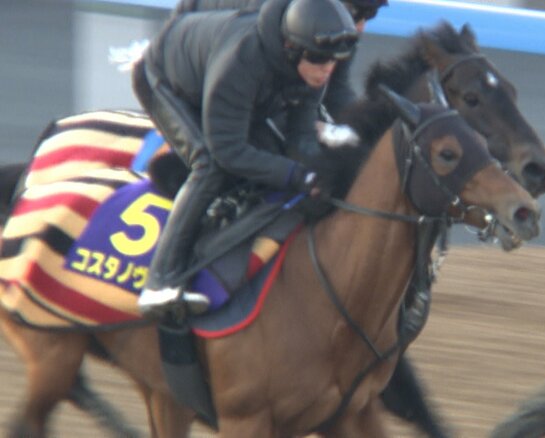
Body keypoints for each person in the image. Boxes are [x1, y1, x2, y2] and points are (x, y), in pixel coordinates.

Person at [132, 0, 359, 318]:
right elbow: (228, 151)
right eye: (319, 59)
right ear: (291, 47)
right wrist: (297, 175)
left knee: (275, 160)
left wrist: (320, 175)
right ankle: (159, 281)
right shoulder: (243, 60)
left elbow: (301, 140)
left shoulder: (311, 69)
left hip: (216, 79)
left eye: (334, 61)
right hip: (163, 79)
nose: (327, 69)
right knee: (209, 165)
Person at [173, 0, 388, 121]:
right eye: (357, 13)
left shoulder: (336, 26)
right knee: (214, 165)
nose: (361, 27)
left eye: (370, 15)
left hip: (233, 66)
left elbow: (337, 90)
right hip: (192, 67)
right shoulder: (270, 19)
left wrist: (365, 129)